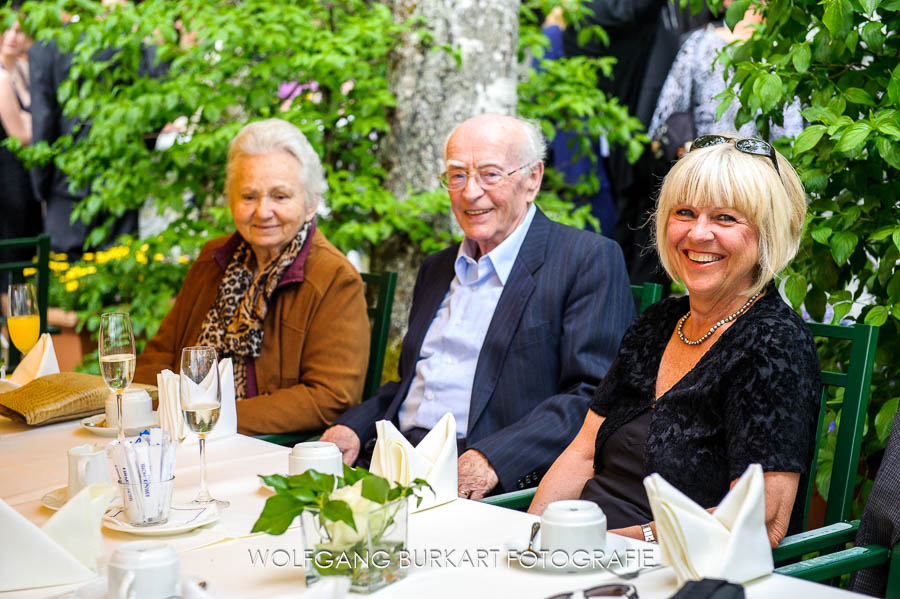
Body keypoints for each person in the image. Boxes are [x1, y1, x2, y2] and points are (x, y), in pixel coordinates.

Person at [321, 114, 635, 500]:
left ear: (532, 179)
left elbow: (593, 395)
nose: (470, 192)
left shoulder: (585, 259)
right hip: (389, 461)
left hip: (487, 478)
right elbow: (410, 385)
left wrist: (491, 458)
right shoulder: (436, 269)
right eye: (456, 175)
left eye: (489, 175)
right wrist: (352, 427)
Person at [529, 134, 820, 548]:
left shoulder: (773, 343)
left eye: (725, 218)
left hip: (676, 569)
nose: (698, 234)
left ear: (766, 234)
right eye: (685, 212)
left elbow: (759, 518)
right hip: (582, 552)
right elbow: (581, 455)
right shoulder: (659, 322)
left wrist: (608, 545)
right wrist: (534, 539)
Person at [134, 119, 369, 436]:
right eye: (248, 196)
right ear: (231, 199)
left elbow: (330, 397)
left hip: (266, 450)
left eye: (281, 196)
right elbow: (158, 356)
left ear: (311, 203)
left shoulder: (335, 278)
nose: (262, 211)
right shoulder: (213, 259)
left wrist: (216, 418)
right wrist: (165, 412)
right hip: (183, 436)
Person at [0, 8, 41, 281]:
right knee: (13, 260)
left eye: (19, 30)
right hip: (8, 181)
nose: (13, 36)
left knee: (28, 249)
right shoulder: (1, 78)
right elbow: (21, 135)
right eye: (8, 29)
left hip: (27, 177)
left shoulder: (24, 71)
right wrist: (36, 121)